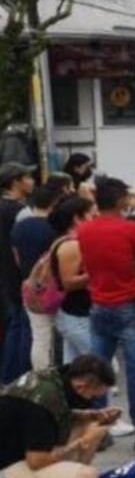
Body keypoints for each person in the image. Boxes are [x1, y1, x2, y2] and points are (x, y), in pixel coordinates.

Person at [77, 178, 135, 452]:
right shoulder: (130, 229)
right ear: (118, 201)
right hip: (128, 302)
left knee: (96, 370)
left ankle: (97, 429)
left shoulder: (85, 231)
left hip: (98, 303)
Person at [0, 355, 118, 478]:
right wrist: (83, 440)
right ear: (81, 386)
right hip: (5, 472)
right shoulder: (42, 405)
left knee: (90, 425)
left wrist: (89, 415)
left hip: (15, 452)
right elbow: (37, 461)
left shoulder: (54, 379)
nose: (93, 402)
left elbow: (55, 415)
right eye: (93, 397)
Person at [11, 184, 64, 370]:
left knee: (40, 337)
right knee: (65, 333)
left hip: (29, 285)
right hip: (54, 288)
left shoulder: (19, 227)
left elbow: (16, 256)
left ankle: (41, 375)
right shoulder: (54, 230)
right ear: (54, 204)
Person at [0, 162, 36, 383]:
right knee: (25, 328)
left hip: (4, 275)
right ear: (16, 182)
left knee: (14, 325)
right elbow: (24, 247)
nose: (32, 182)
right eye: (28, 177)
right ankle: (20, 376)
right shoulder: (21, 211)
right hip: (19, 275)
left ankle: (8, 376)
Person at [48, 196, 96, 363]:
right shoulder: (71, 245)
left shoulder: (75, 242)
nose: (94, 219)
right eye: (92, 215)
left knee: (74, 368)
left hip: (76, 314)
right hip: (76, 315)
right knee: (101, 366)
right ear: (77, 218)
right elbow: (68, 282)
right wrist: (99, 272)